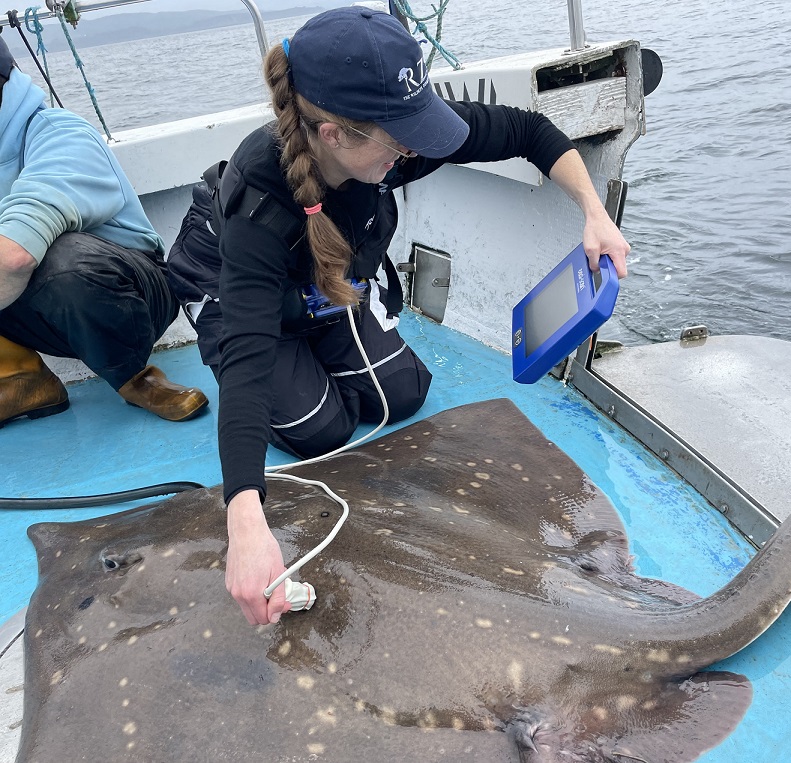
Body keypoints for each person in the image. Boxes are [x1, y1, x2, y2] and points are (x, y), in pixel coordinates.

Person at [167, 5, 630, 626]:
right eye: (400, 134)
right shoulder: (259, 201)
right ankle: (302, 375)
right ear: (334, 134)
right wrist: (245, 521)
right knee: (321, 430)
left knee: (398, 397)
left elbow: (528, 131)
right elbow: (249, 358)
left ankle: (316, 353)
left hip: (326, 291)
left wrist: (593, 212)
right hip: (244, 306)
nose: (414, 147)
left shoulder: (395, 145)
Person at [0, 34, 208, 428]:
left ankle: (136, 378)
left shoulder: (60, 133)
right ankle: (22, 379)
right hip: (35, 309)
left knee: (60, 259)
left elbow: (16, 256)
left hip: (131, 293)